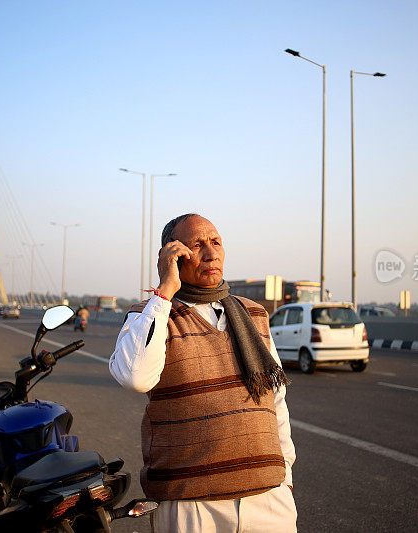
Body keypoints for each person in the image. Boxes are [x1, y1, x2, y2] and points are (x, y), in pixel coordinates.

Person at [109, 214, 297, 532]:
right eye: (197, 245)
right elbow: (134, 376)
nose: (211, 253)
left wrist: (286, 479)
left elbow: (275, 402)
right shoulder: (151, 314)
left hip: (268, 500)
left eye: (216, 242)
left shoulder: (253, 314)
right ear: (173, 255)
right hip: (191, 505)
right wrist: (165, 291)